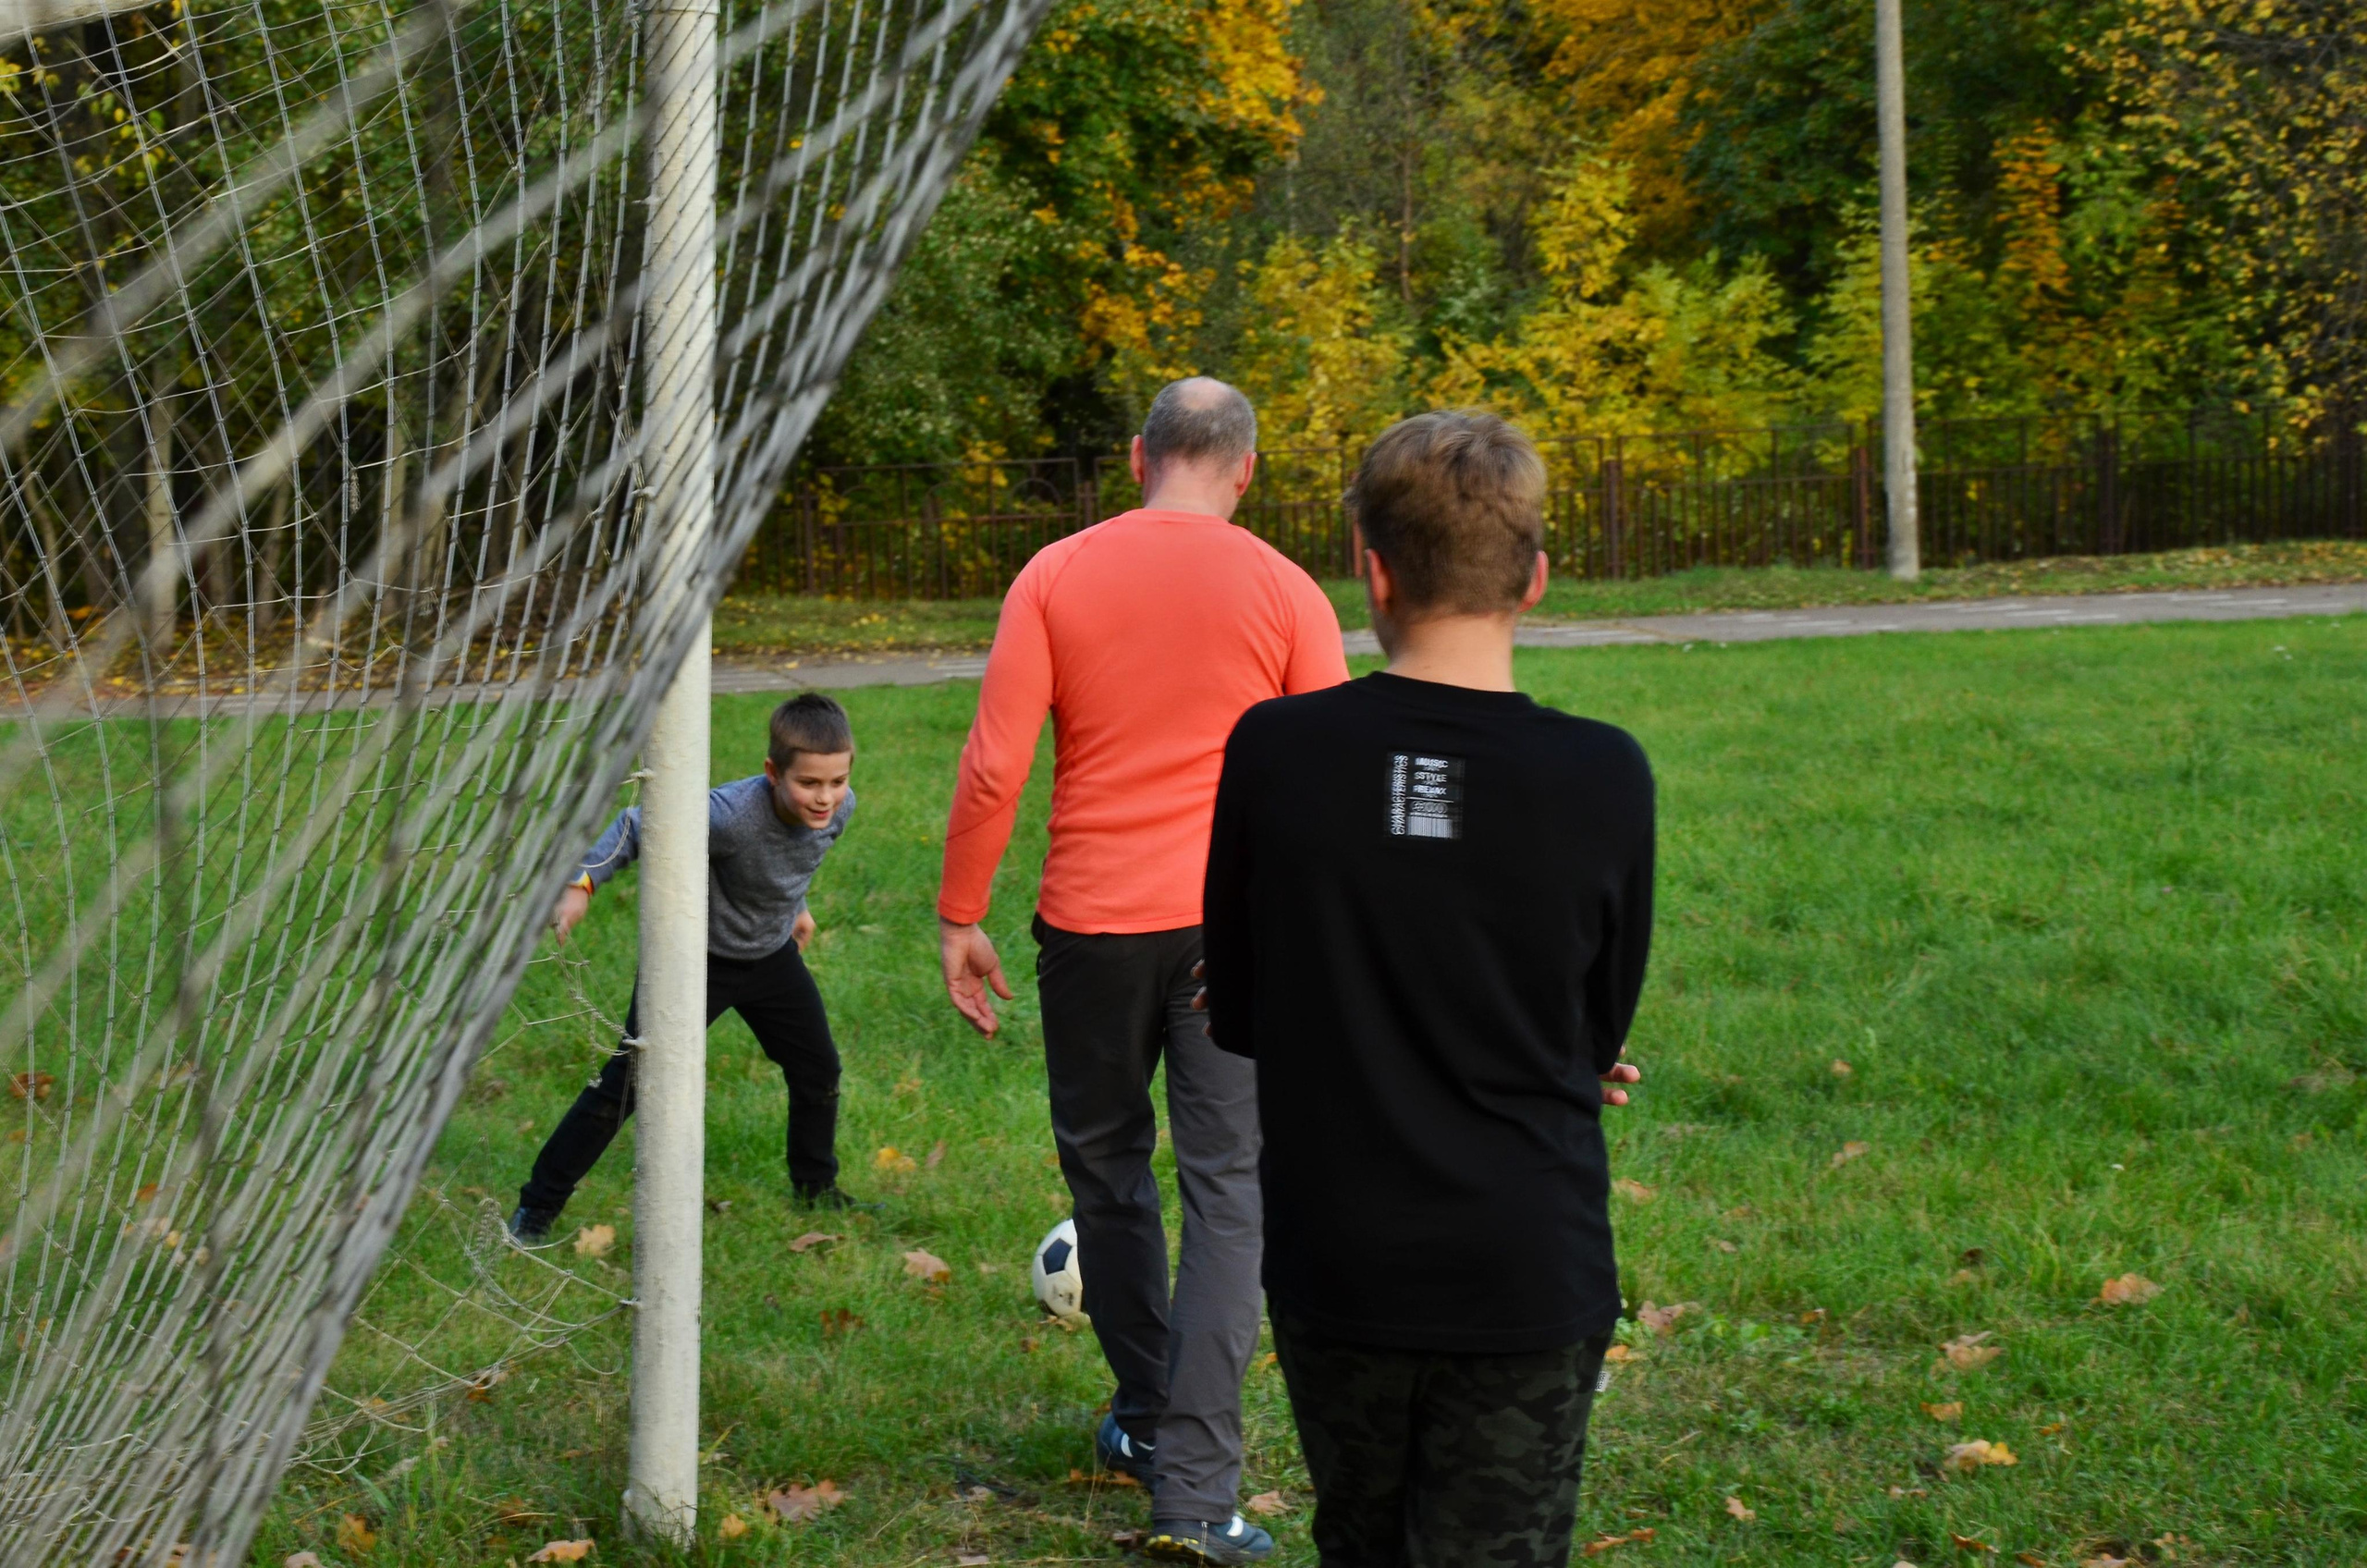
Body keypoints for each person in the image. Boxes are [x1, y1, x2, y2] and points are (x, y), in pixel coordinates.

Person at [1199, 410, 1655, 1567]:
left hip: (1337, 1259)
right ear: (1536, 578)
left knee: (1360, 1541)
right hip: (1524, 1262)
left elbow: (1239, 1008)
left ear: (1373, 566)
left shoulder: (1274, 750)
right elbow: (1597, 1024)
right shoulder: (1603, 773)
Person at [937, 378, 1349, 1563]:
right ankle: (1194, 1489)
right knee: (1230, 1190)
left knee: (1109, 1172)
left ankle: (1144, 1420)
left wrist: (962, 912)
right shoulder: (1283, 587)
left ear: (1136, 459)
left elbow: (993, 763)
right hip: (1236, 934)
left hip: (1091, 930)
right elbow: (1324, 784)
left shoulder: (1055, 574)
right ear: (1247, 470)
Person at [509, 692, 872, 1243]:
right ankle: (537, 1206)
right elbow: (635, 824)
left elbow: (795, 857)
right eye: (810, 784)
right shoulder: (728, 816)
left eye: (837, 781)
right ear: (773, 772)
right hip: (695, 962)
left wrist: (796, 906)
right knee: (625, 1087)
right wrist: (580, 885)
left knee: (818, 1070)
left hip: (771, 957)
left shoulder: (839, 809)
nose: (825, 798)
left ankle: (815, 1188)